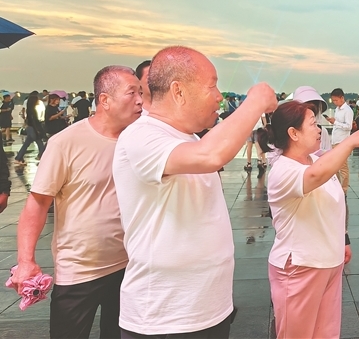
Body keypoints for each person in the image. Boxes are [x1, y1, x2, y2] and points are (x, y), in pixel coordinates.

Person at [112, 46, 277, 338]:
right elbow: (210, 155)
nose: (219, 96)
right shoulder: (142, 135)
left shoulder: (187, 137)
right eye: (212, 86)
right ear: (178, 91)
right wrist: (255, 102)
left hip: (208, 310)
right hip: (165, 317)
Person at [12, 65, 143, 338]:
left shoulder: (140, 141)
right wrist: (26, 261)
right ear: (104, 100)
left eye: (141, 93)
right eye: (132, 93)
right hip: (78, 271)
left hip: (129, 266)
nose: (140, 100)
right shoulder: (66, 142)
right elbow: (37, 204)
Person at [264, 101, 359, 338]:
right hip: (300, 267)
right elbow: (314, 177)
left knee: (326, 334)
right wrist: (351, 141)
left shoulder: (316, 160)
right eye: (313, 124)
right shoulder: (283, 170)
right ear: (293, 133)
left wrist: (343, 239)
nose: (320, 129)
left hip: (329, 263)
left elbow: (332, 202)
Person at [14, 93, 46, 165]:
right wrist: (37, 129)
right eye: (37, 100)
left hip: (31, 128)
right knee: (39, 143)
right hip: (33, 129)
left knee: (27, 144)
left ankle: (18, 158)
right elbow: (34, 121)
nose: (38, 101)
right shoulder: (32, 111)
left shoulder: (29, 110)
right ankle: (42, 156)